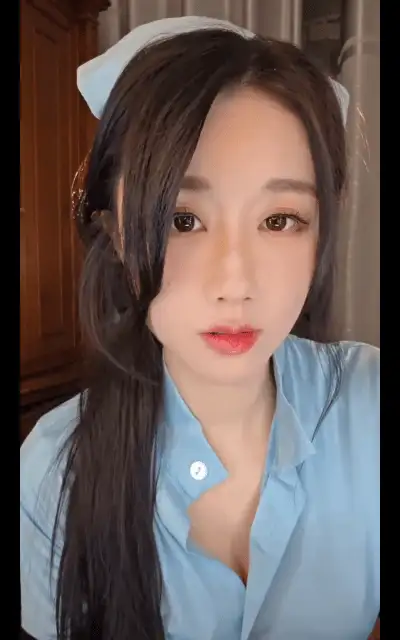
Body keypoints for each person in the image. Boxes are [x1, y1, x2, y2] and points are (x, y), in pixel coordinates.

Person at [20, 16, 380, 640]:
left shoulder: (366, 406)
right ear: (117, 231)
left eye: (280, 220)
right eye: (183, 219)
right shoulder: (52, 474)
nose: (235, 283)